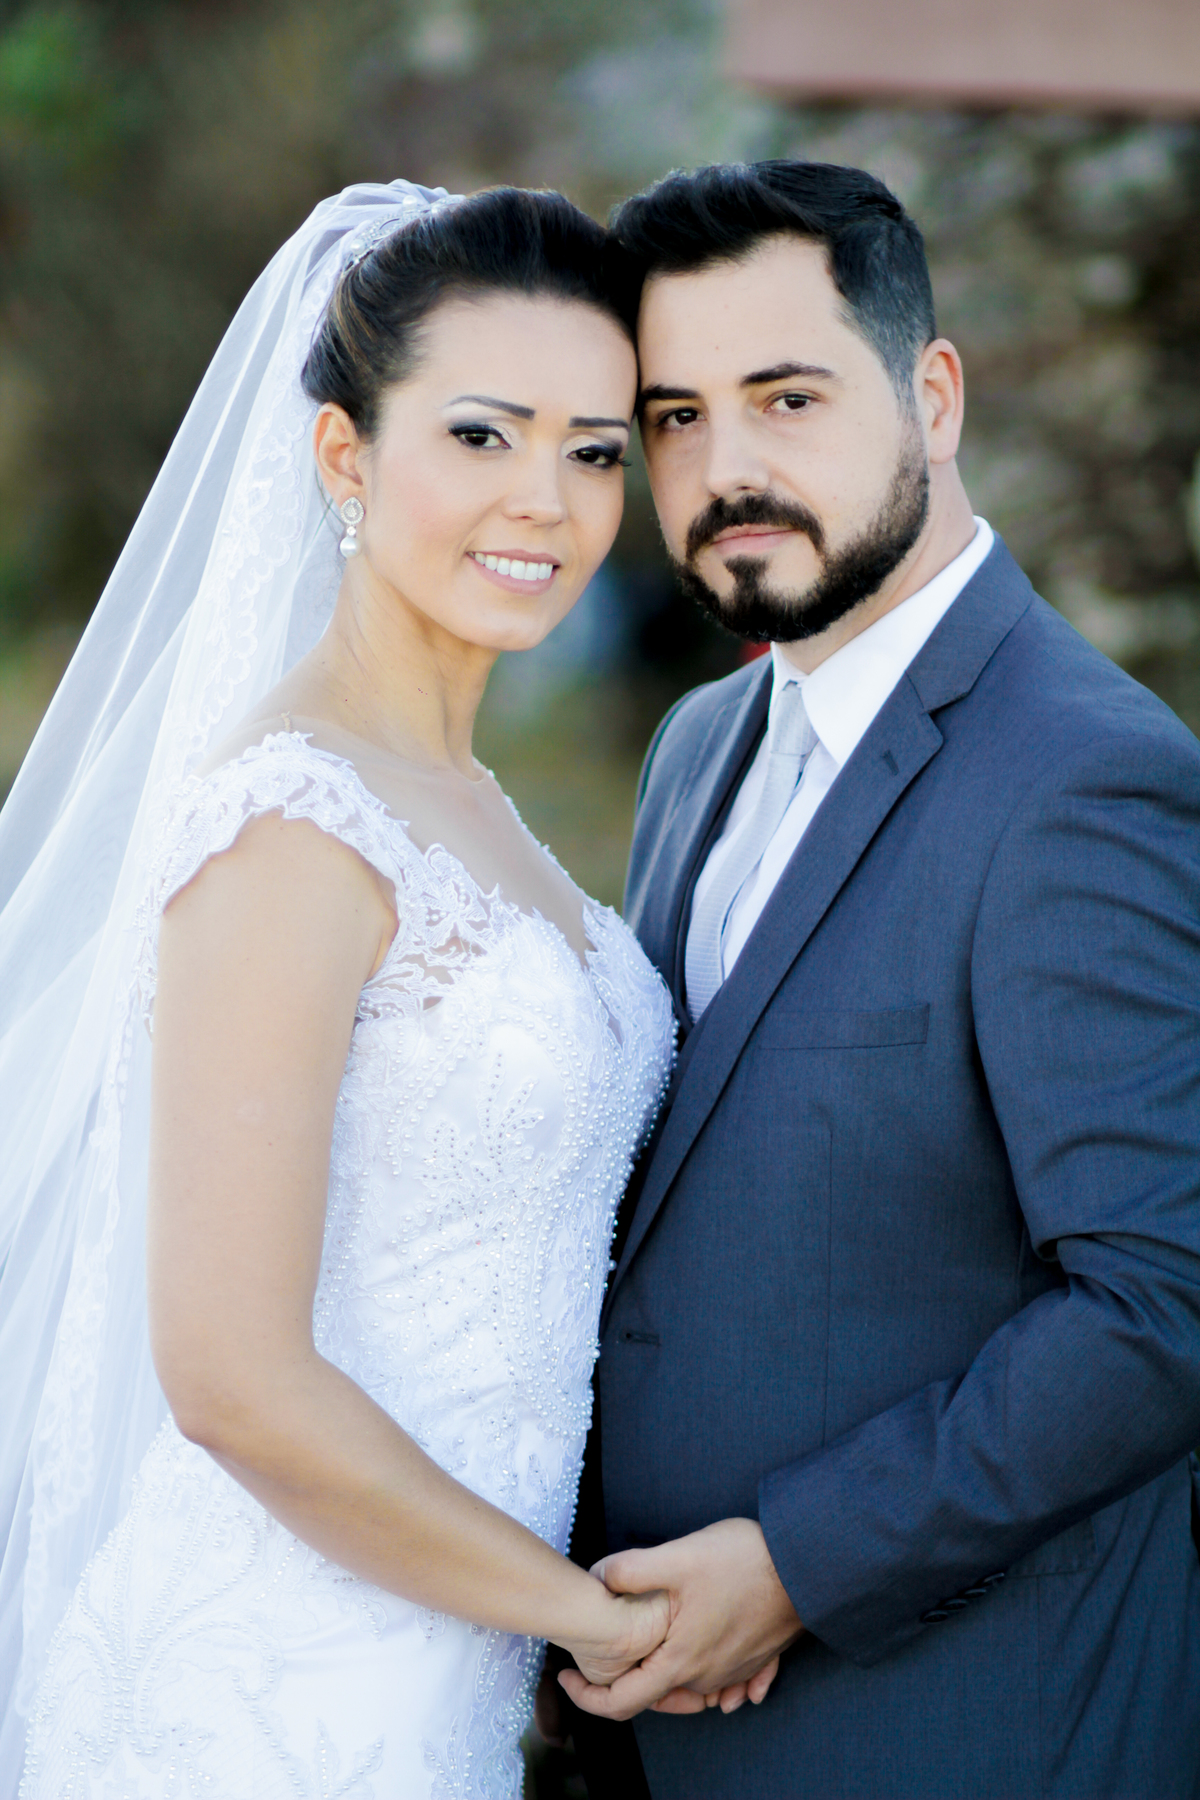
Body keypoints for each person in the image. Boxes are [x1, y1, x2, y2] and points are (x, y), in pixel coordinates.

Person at [0, 179, 679, 1796]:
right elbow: (233, 1375)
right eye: (482, 435)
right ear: (341, 457)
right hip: (274, 1687)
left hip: (441, 1658)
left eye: (594, 450)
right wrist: (579, 1617)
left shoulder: (477, 808)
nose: (549, 500)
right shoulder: (294, 823)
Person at [559, 160, 1200, 1799]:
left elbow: (1163, 1303)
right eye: (678, 416)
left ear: (933, 394)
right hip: (664, 1732)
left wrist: (789, 1564)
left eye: (787, 396)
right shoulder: (700, 747)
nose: (728, 469)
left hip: (962, 1730)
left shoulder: (1085, 776)